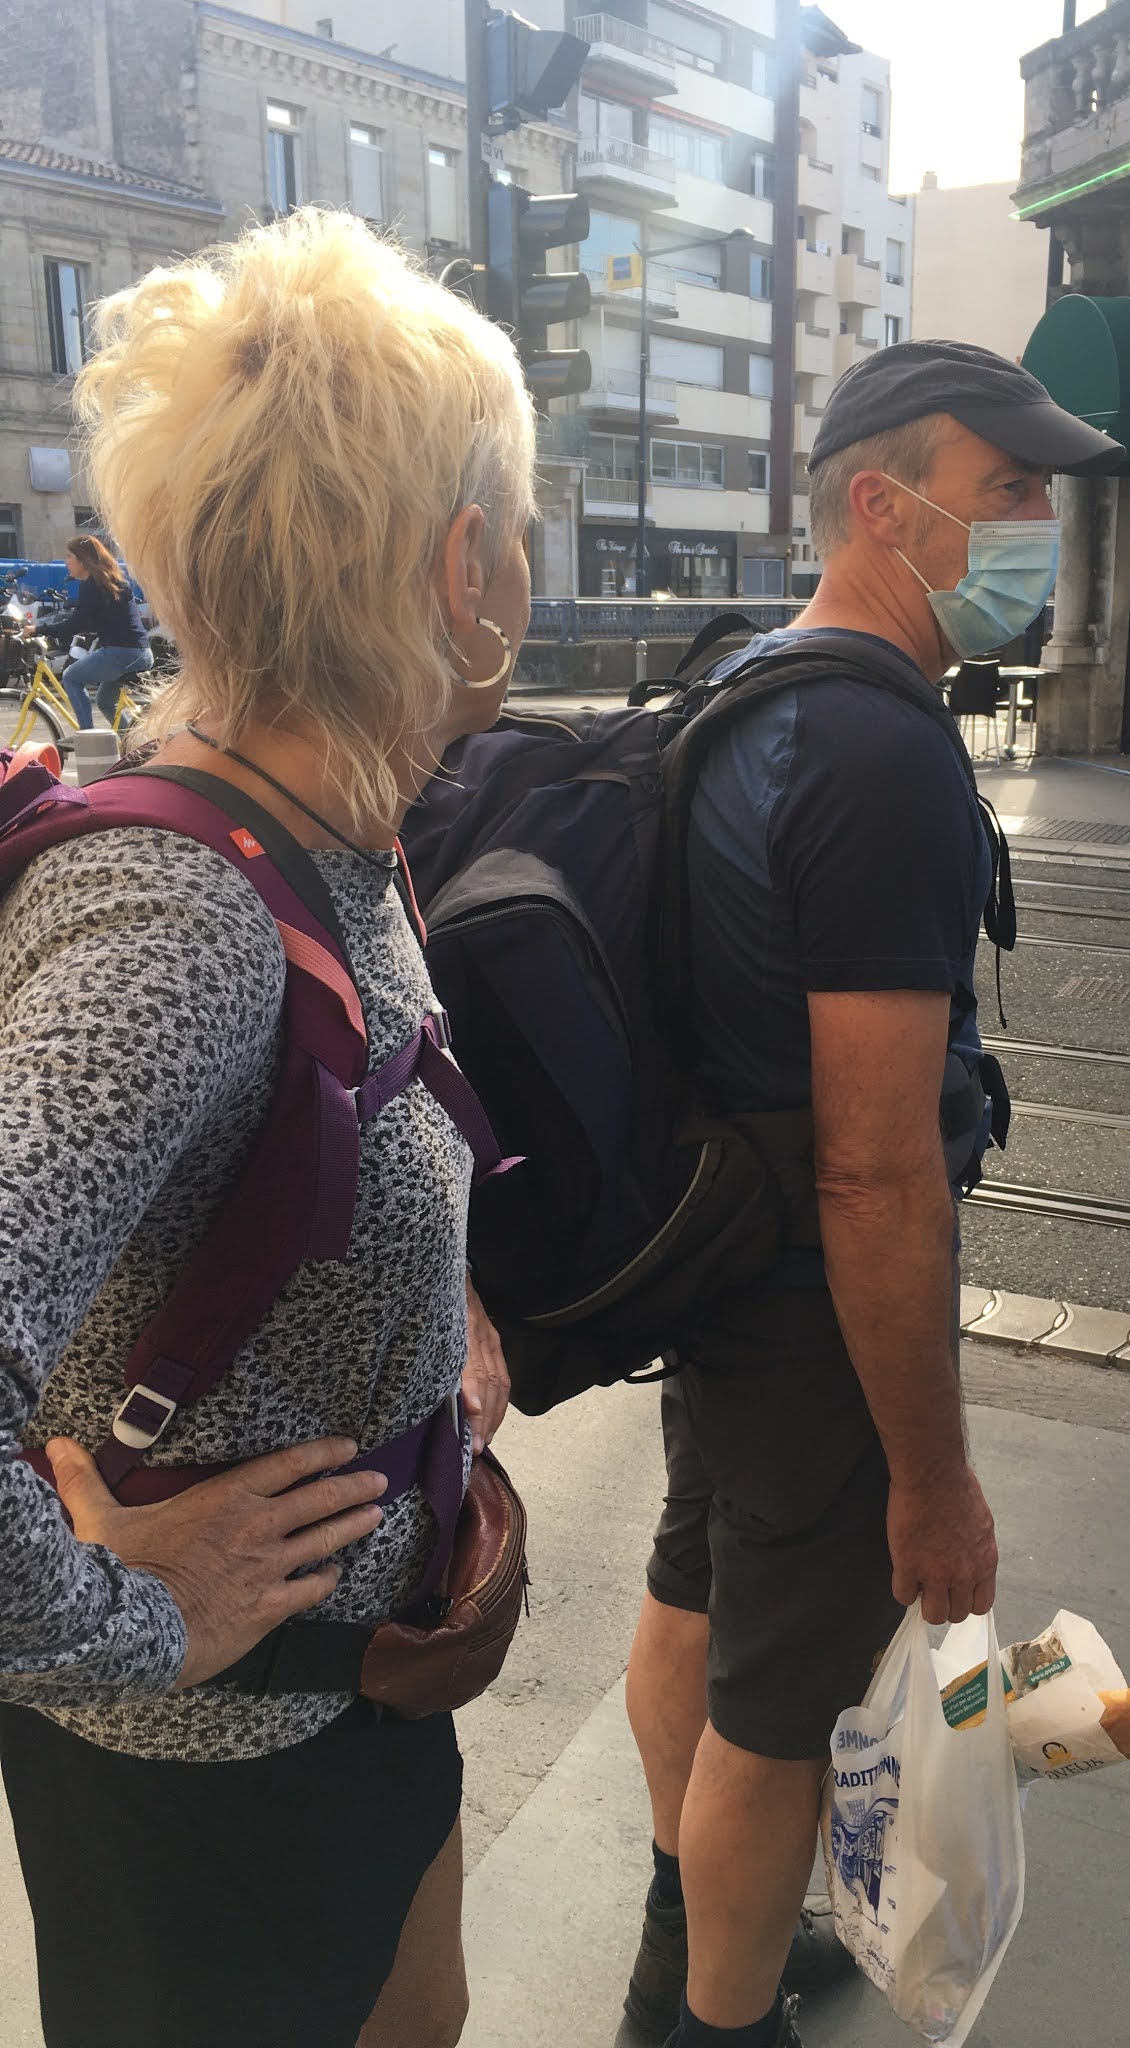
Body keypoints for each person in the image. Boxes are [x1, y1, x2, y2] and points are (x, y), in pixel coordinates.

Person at [0, 206, 534, 2048]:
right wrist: (124, 1622)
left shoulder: (331, 834)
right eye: (520, 520)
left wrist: (435, 1313)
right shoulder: (178, 918)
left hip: (357, 1699)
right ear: (467, 565)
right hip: (199, 1782)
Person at [621, 341, 1122, 2048]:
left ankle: (683, 1934)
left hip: (716, 1266)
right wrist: (933, 1476)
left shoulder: (749, 684)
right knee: (783, 1712)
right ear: (883, 506)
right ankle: (716, 2019)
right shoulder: (881, 751)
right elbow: (879, 1167)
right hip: (813, 1309)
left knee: (697, 1588)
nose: (1040, 527)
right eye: (1010, 491)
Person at [52, 532, 154, 728]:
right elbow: (104, 618)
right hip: (142, 653)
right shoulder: (113, 582)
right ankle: (129, 741)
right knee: (105, 702)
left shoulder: (91, 586)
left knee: (71, 677)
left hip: (120, 653)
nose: (66, 562)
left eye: (69, 556)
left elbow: (74, 624)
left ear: (82, 560)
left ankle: (87, 737)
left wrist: (38, 629)